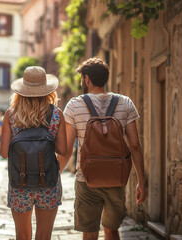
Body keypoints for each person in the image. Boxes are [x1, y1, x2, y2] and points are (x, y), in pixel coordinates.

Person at [58, 58, 146, 240]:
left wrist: (55, 175)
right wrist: (141, 181)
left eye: (82, 78)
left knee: (89, 233)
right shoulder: (125, 103)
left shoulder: (74, 105)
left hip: (86, 178)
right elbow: (135, 145)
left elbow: (67, 150)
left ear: (87, 79)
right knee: (112, 230)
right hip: (116, 178)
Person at [0, 66, 67, 240]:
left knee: (22, 236)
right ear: (47, 90)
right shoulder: (56, 115)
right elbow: (62, 150)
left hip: (19, 183)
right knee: (44, 236)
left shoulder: (11, 115)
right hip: (48, 183)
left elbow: (3, 153)